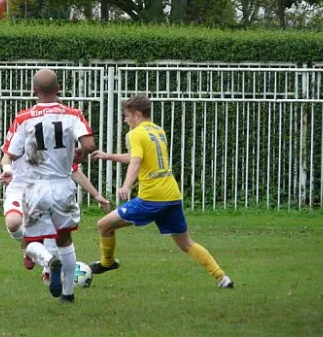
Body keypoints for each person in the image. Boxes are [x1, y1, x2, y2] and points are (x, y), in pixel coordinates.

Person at [89, 95, 233, 289]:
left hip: (151, 198)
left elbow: (136, 161)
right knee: (186, 243)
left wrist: (126, 185)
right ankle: (222, 278)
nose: (125, 120)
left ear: (137, 114)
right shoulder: (158, 131)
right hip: (172, 195)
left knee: (104, 225)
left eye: (127, 116)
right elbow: (136, 157)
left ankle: (107, 262)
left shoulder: (134, 134)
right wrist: (109, 156)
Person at [5, 68, 96, 304]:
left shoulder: (24, 118)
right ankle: (67, 294)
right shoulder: (73, 114)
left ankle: (47, 261)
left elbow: (12, 154)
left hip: (35, 186)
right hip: (63, 184)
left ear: (34, 91)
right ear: (58, 89)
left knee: (31, 240)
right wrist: (78, 156)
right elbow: (89, 143)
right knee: (64, 238)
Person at [0, 152, 109, 284]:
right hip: (19, 190)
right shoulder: (18, 131)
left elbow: (74, 171)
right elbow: (7, 157)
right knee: (13, 222)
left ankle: (48, 272)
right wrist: (8, 170)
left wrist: (96, 195)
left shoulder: (58, 140)